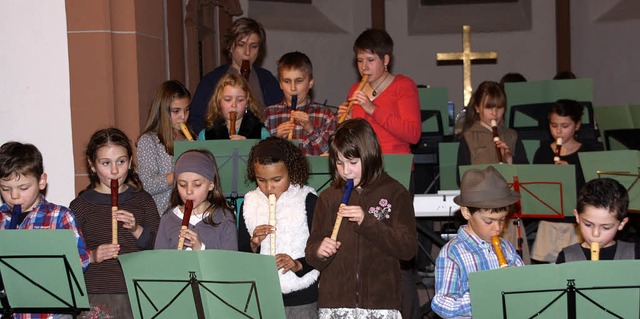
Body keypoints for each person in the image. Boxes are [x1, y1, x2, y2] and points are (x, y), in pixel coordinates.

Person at [305, 119, 417, 319]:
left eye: (353, 163)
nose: (345, 171)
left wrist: (367, 222)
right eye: (339, 163)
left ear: (370, 156)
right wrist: (319, 251)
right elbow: (312, 250)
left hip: (381, 304)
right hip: (335, 304)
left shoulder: (395, 192)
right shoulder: (328, 197)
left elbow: (408, 249)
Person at [70, 127, 160, 318]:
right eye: (105, 163)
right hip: (96, 292)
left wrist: (137, 230)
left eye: (121, 161)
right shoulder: (80, 205)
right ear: (92, 166)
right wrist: (93, 255)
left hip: (138, 291)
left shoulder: (143, 200)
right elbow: (69, 257)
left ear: (130, 163)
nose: (114, 171)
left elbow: (159, 248)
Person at [0, 141, 90, 319]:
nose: (14, 196)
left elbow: (81, 260)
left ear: (41, 181)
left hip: (52, 314)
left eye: (23, 188)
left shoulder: (60, 216)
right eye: (5, 189)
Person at [239, 137, 319, 318]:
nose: (269, 187)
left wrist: (299, 264)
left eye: (277, 179)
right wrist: (253, 244)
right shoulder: (250, 203)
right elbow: (241, 253)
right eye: (261, 180)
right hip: (262, 295)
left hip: (301, 297)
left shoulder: (308, 201)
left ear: (291, 171)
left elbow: (320, 249)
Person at [431, 166, 524, 319]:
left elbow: (525, 288)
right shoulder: (452, 253)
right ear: (466, 212)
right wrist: (484, 295)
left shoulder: (506, 248)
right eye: (489, 221)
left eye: (502, 220)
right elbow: (441, 304)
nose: (498, 228)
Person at [530, 99, 603, 263]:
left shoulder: (588, 153)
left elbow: (593, 190)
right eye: (554, 125)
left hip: (575, 223)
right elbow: (535, 189)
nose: (558, 132)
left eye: (565, 126)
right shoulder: (543, 152)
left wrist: (571, 172)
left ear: (577, 125)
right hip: (549, 223)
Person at [189, 17, 283, 133]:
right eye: (241, 45)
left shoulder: (267, 80)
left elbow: (280, 116)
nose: (247, 52)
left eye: (253, 46)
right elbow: (195, 121)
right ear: (230, 47)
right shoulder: (212, 81)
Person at [337, 29, 421, 155]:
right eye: (360, 60)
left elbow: (413, 135)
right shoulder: (355, 89)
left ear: (385, 60)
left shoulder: (403, 85)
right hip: (363, 163)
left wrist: (372, 109)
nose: (364, 67)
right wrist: (348, 124)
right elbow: (354, 140)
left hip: (395, 164)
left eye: (370, 60)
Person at [154, 149, 237, 250]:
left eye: (197, 184)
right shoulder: (168, 219)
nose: (189, 191)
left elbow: (229, 263)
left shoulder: (224, 218)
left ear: (211, 185)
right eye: (182, 185)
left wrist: (201, 249)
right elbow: (160, 261)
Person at [137, 80, 194, 215]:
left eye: (186, 110)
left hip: (189, 211)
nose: (183, 117)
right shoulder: (149, 141)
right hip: (161, 214)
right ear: (162, 111)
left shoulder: (191, 138)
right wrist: (179, 174)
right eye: (176, 111)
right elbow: (148, 185)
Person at [264, 51, 336, 155]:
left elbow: (332, 154)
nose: (293, 88)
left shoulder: (325, 115)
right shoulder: (268, 115)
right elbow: (261, 157)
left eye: (299, 81)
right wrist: (276, 140)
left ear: (310, 82)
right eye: (287, 81)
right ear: (280, 84)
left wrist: (311, 130)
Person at [556, 178, 639, 263]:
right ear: (577, 216)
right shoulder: (567, 257)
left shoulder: (635, 254)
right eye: (588, 224)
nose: (595, 234)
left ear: (622, 223)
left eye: (606, 228)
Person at [457, 81, 528, 166]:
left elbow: (526, 173)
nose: (494, 113)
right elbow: (462, 176)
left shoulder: (512, 136)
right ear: (477, 108)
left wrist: (509, 159)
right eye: (489, 107)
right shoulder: (468, 137)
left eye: (499, 107)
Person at [197, 73, 266, 140]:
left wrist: (247, 145)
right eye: (228, 99)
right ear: (218, 102)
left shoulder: (262, 133)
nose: (234, 105)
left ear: (247, 103)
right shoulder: (205, 135)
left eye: (240, 100)